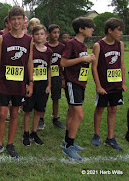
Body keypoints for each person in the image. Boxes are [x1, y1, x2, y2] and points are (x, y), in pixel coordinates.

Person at [0, 6, 33, 158]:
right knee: (1, 113)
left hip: (20, 83)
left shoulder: (29, 40)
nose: (17, 21)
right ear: (9, 21)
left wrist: (30, 82)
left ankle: (10, 144)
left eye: (19, 18)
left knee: (14, 113)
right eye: (13, 19)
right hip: (4, 82)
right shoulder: (3, 38)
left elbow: (29, 62)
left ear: (24, 20)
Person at [61, 17, 95, 160]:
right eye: (90, 27)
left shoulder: (83, 46)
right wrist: (83, 59)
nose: (92, 29)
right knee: (79, 115)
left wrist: (88, 59)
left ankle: (68, 142)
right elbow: (63, 62)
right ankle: (69, 147)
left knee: (71, 113)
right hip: (72, 83)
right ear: (81, 29)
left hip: (80, 83)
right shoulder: (71, 43)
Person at [91, 18, 127, 150]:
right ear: (110, 30)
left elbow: (122, 64)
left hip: (116, 85)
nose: (121, 33)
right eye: (119, 30)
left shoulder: (120, 44)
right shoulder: (98, 45)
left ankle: (110, 138)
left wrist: (122, 82)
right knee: (100, 109)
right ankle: (96, 134)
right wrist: (98, 86)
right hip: (104, 85)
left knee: (113, 109)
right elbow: (94, 68)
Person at [22, 24, 52, 146]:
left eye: (41, 34)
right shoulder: (30, 50)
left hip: (43, 84)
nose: (39, 36)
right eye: (36, 34)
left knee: (39, 110)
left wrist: (49, 85)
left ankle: (34, 132)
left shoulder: (49, 51)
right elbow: (26, 67)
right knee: (28, 110)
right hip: (31, 84)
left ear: (46, 35)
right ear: (32, 36)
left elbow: (49, 69)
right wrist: (27, 84)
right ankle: (26, 133)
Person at [44, 24, 65, 129]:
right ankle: (40, 118)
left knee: (56, 98)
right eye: (54, 32)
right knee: (43, 98)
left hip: (57, 76)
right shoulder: (44, 46)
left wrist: (63, 78)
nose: (56, 35)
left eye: (58, 32)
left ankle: (55, 118)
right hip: (44, 76)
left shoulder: (62, 47)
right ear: (49, 34)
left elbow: (64, 63)